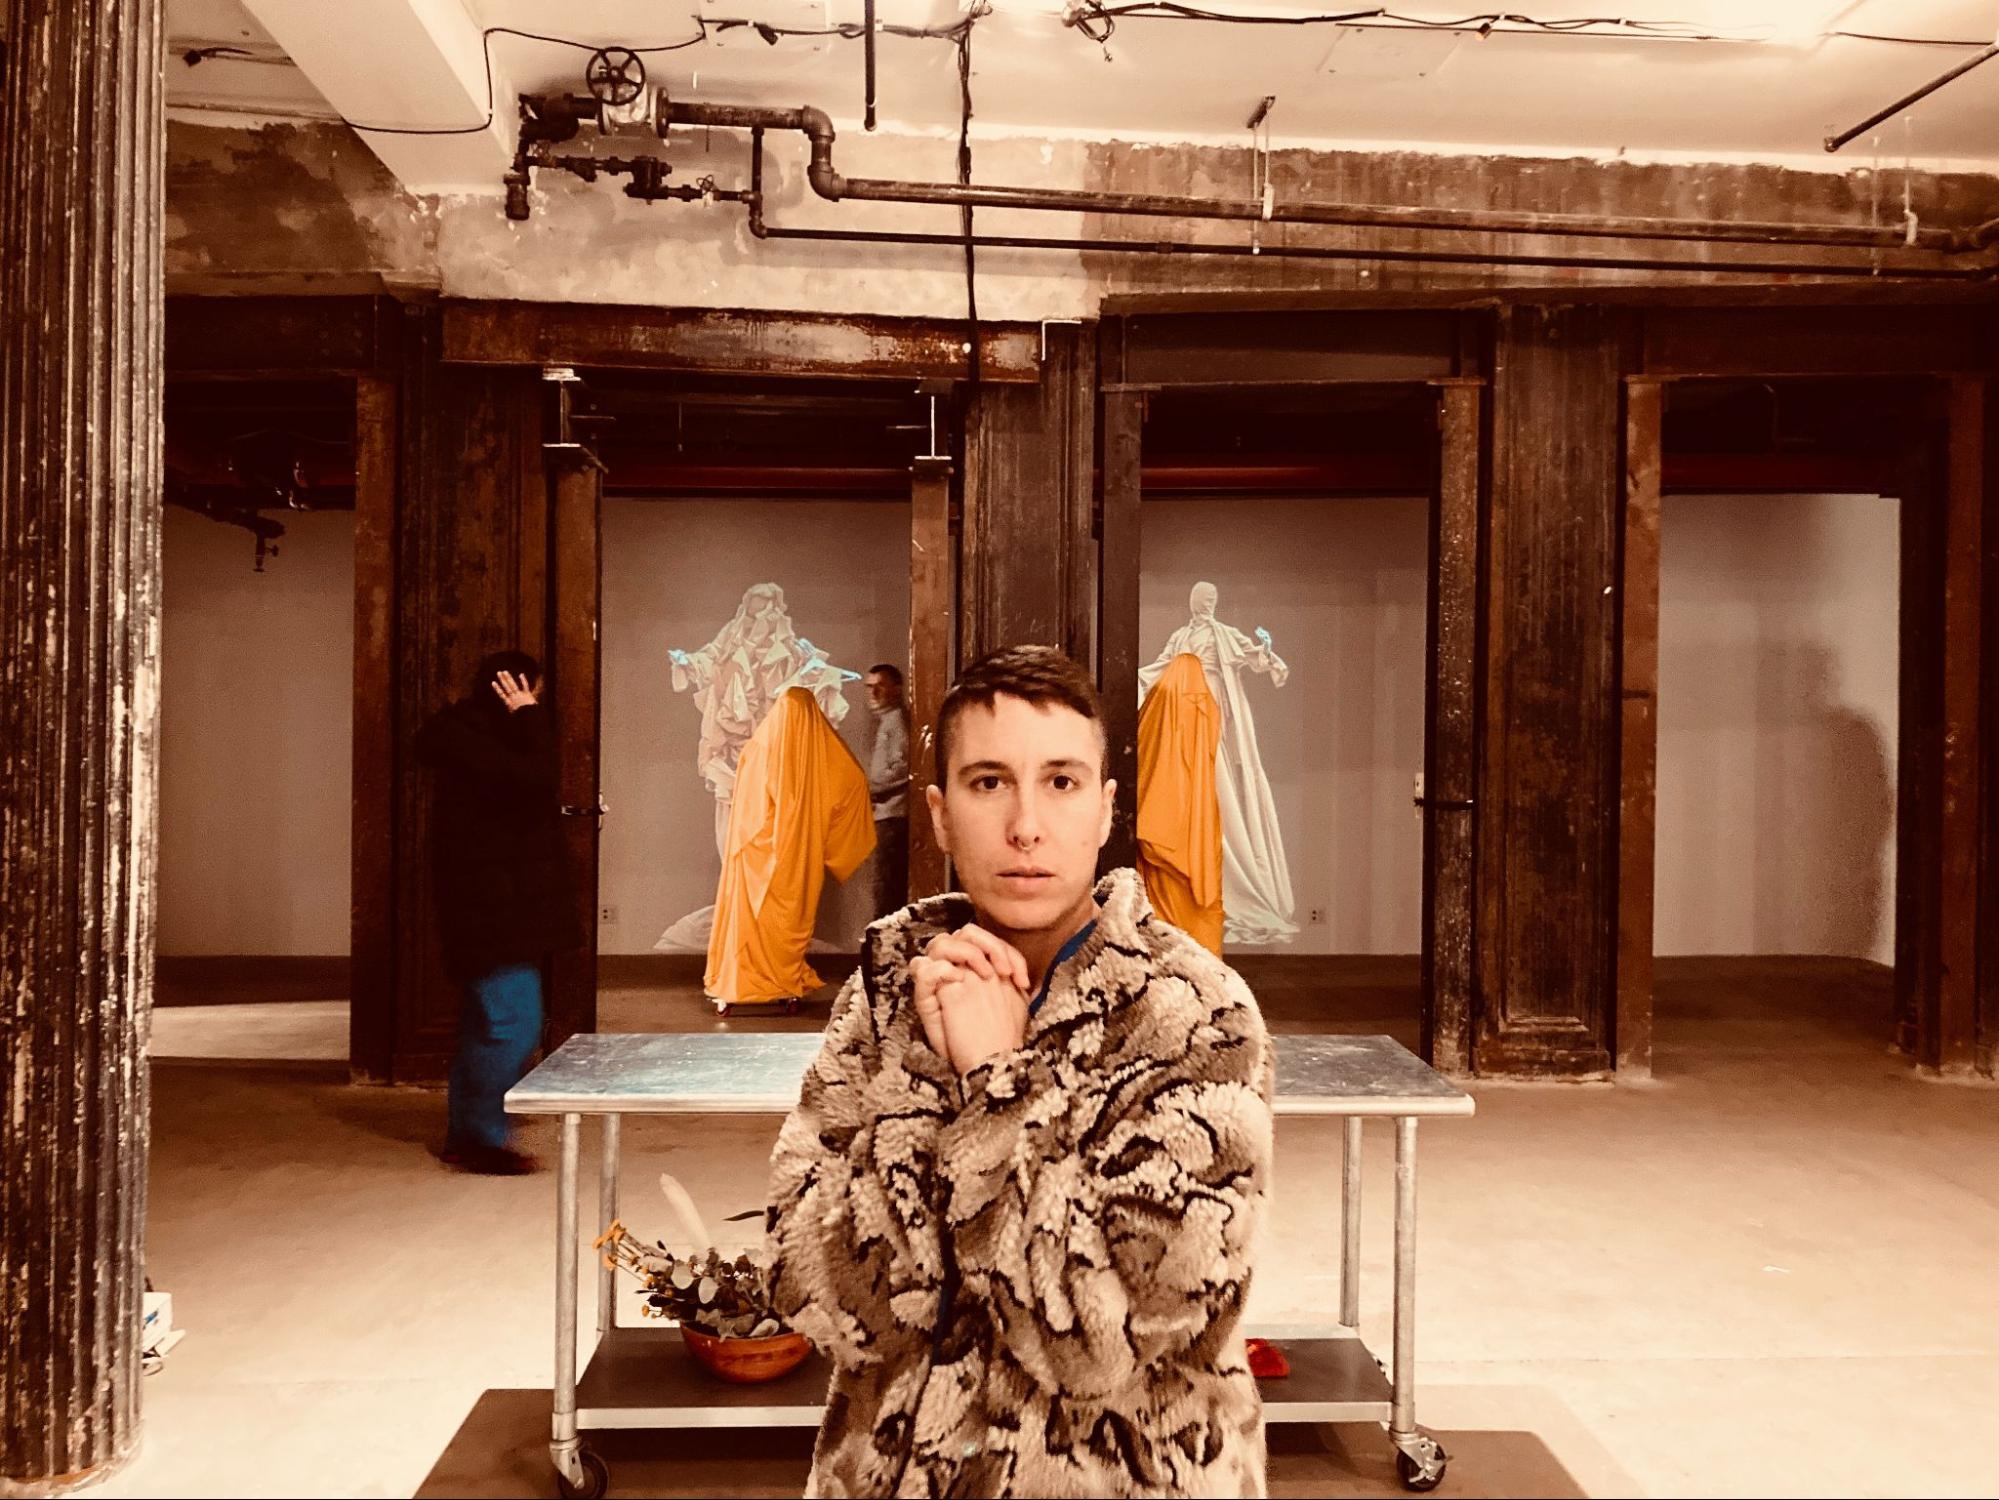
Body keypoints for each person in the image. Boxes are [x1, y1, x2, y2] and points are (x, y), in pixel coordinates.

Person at [766, 645, 1275, 1498]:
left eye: (1062, 782)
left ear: (1107, 809)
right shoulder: (894, 982)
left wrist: (999, 1083)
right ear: (937, 814)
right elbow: (808, 1287)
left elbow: (1091, 1348)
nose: (1026, 827)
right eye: (989, 782)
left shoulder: (1193, 1014)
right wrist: (935, 1085)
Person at [414, 651, 580, 1175]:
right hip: (492, 913)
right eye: (535, 692)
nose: (540, 703)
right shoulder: (480, 745)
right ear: (516, 688)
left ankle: (468, 1132)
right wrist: (529, 715)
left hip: (491, 910)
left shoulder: (475, 743)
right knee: (513, 1024)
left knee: (485, 1024)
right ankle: (478, 1138)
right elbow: (538, 779)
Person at [864, 662, 910, 918]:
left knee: (886, 887)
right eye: (869, 688)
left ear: (896, 689)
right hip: (885, 815)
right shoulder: (888, 721)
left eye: (879, 687)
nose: (873, 694)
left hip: (893, 816)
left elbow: (904, 768)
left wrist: (872, 788)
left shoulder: (897, 722)